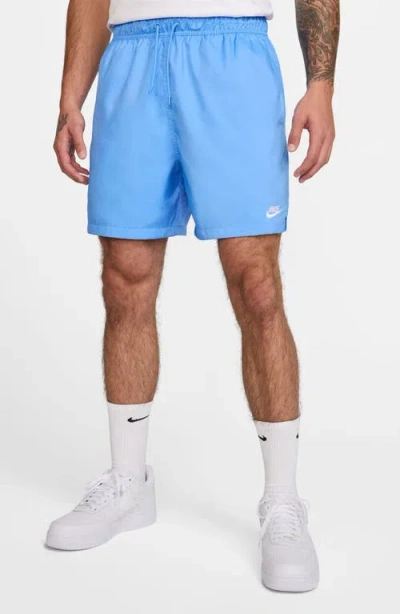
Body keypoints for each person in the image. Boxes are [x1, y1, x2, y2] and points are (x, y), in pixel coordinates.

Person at [47, 0, 340, 593]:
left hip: (232, 55)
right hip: (132, 56)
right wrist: (70, 97)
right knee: (124, 276)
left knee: (256, 282)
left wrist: (321, 85)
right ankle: (129, 482)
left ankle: (283, 501)